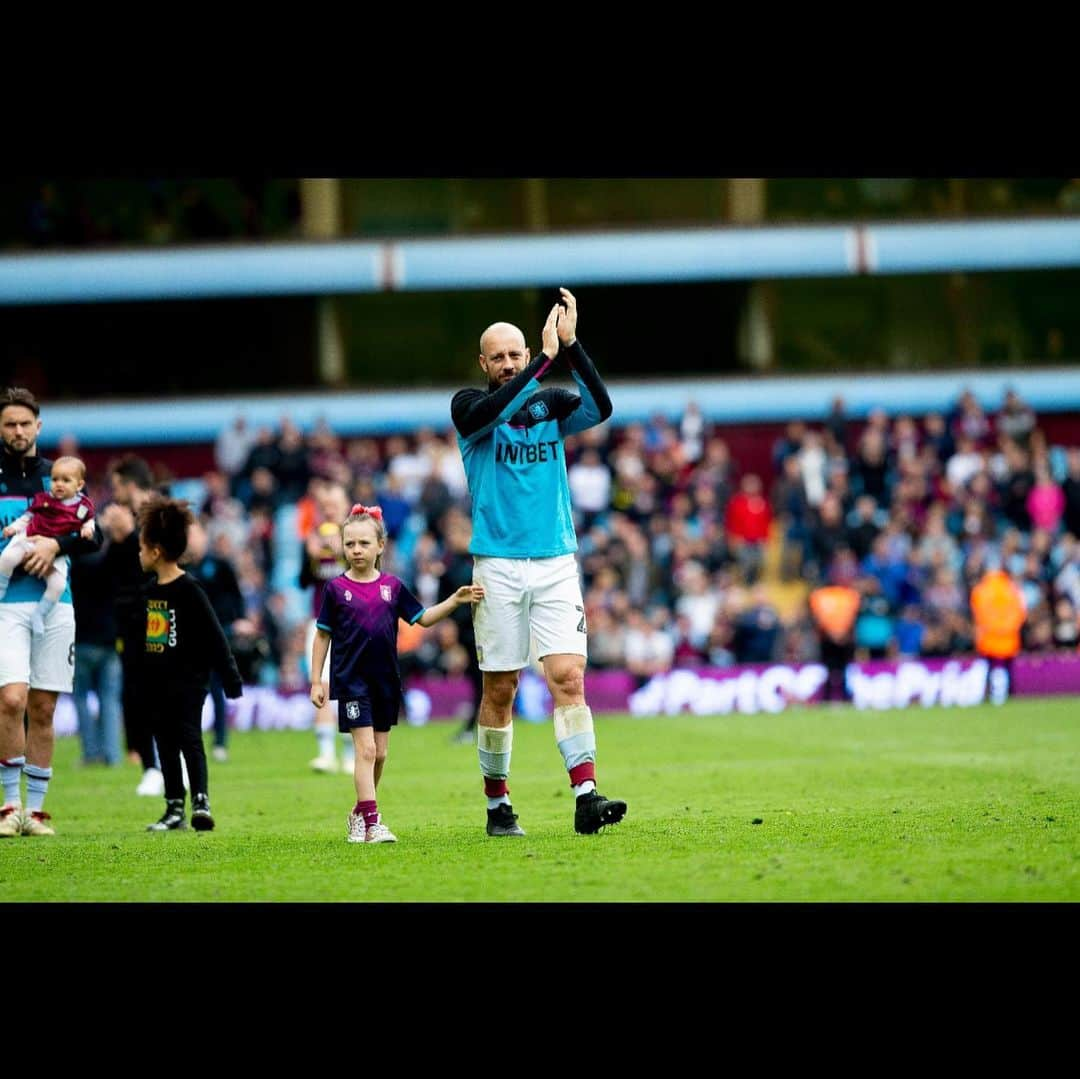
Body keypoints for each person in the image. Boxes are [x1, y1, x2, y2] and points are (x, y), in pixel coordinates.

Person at [451, 288, 627, 837]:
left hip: (555, 560)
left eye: (516, 354)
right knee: (500, 689)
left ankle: (585, 795)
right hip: (498, 566)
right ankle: (498, 805)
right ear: (483, 363)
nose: (508, 364)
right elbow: (494, 408)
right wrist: (548, 362)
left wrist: (571, 348)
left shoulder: (548, 403)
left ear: (526, 355)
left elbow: (600, 407)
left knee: (568, 676)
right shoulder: (469, 410)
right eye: (498, 356)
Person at [310, 504, 483, 843]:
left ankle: (359, 814)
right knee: (366, 751)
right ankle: (373, 823)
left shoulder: (393, 587)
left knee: (381, 753)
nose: (356, 550)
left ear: (380, 546)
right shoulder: (335, 590)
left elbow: (423, 618)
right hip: (352, 681)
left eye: (363, 543)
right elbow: (322, 634)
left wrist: (454, 600)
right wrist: (317, 679)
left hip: (385, 680)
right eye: (350, 544)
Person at [0, 387, 102, 838]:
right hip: (6, 604)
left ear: (38, 427)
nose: (18, 431)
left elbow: (93, 537)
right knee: (11, 699)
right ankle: (9, 805)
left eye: (25, 423)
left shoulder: (60, 476)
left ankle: (36, 813)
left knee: (43, 707)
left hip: (55, 606)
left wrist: (55, 544)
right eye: (9, 424)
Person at [136, 496, 242, 832]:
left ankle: (201, 800)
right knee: (164, 743)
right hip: (157, 683)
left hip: (189, 682)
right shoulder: (148, 593)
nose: (138, 554)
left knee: (189, 738)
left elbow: (214, 636)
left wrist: (230, 677)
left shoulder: (190, 590)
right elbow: (146, 644)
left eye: (141, 548)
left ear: (154, 551)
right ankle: (173, 807)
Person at [102, 455, 164, 796]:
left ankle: (172, 763)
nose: (114, 494)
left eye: (116, 486)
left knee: (161, 690)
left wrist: (126, 538)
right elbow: (112, 571)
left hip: (157, 614)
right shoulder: (121, 522)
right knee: (134, 694)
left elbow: (162, 564)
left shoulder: (160, 516)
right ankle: (150, 765)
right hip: (128, 622)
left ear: (129, 484)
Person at [0, 455, 96, 637]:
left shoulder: (83, 505)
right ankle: (1, 587)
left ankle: (40, 614)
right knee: (7, 557)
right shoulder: (44, 499)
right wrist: (13, 528)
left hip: (56, 554)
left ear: (79, 485)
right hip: (29, 539)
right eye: (55, 480)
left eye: (66, 480)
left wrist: (86, 530)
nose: (59, 484)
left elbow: (91, 525)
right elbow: (27, 517)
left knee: (58, 585)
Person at [300, 482, 355, 774]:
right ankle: (325, 753)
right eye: (325, 505)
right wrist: (309, 558)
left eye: (334, 502)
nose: (329, 508)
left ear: (345, 504)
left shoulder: (357, 537)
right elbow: (303, 581)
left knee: (348, 685)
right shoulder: (313, 537)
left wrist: (344, 552)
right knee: (320, 681)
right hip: (320, 618)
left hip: (351, 619)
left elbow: (372, 571)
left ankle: (350, 753)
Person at [183, 518, 245, 762]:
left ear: (204, 536)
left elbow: (236, 595)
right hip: (190, 638)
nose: (192, 539)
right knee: (192, 690)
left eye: (195, 534)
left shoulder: (219, 565)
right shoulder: (181, 568)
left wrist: (240, 619)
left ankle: (220, 741)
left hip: (220, 634)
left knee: (218, 689)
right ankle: (191, 738)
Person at [970, 568, 1027, 705]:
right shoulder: (1013, 589)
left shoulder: (981, 590)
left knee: (989, 669)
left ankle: (988, 694)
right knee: (1008, 670)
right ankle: (1009, 694)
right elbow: (1021, 613)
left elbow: (978, 615)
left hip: (988, 639)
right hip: (1009, 639)